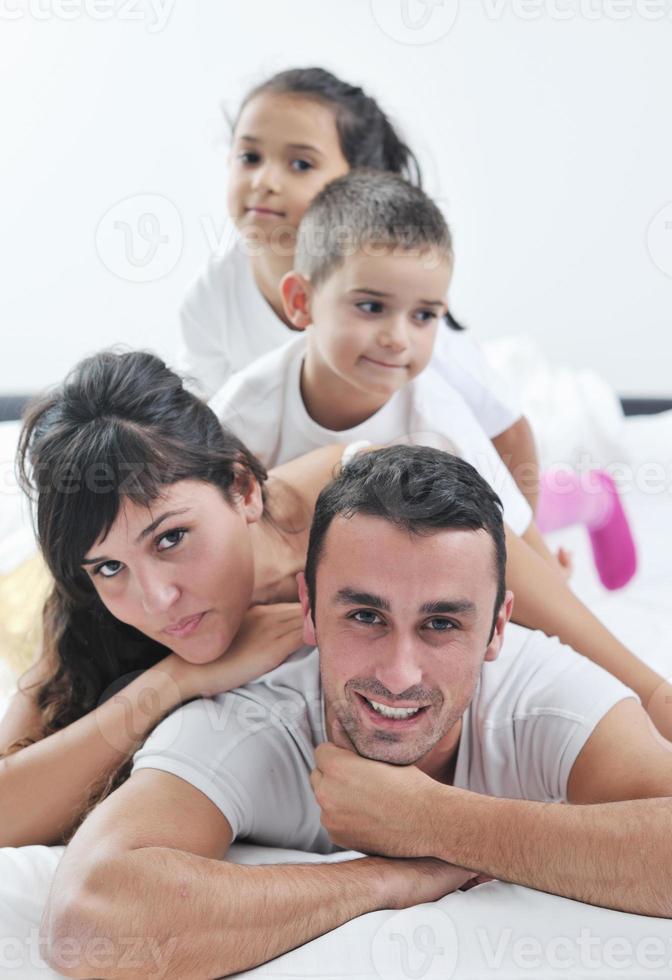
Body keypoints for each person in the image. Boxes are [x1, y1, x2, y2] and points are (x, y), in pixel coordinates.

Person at [42, 447, 672, 980]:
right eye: (365, 617)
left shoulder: (540, 688)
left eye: (442, 623)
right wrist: (387, 879)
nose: (399, 674)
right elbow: (87, 920)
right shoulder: (251, 715)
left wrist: (436, 822)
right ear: (310, 610)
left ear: (498, 627)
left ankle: (587, 497)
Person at [210, 169, 662, 728]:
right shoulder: (245, 410)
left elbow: (510, 540)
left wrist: (551, 583)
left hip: (477, 494)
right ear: (301, 300)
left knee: (538, 515)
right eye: (372, 307)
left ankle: (591, 496)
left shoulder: (436, 424)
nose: (400, 336)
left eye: (425, 316)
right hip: (352, 541)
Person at [0, 349, 348, 847]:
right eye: (110, 567)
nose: (158, 600)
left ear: (244, 488)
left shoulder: (353, 501)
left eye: (170, 539)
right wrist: (177, 679)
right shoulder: (86, 605)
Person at [177, 66, 540, 510]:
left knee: (557, 436)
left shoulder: (404, 328)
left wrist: (531, 536)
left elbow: (510, 431)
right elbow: (213, 434)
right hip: (319, 479)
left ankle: (589, 497)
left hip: (434, 465)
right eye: (250, 157)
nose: (264, 181)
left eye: (300, 164)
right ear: (300, 302)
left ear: (360, 182)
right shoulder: (211, 296)